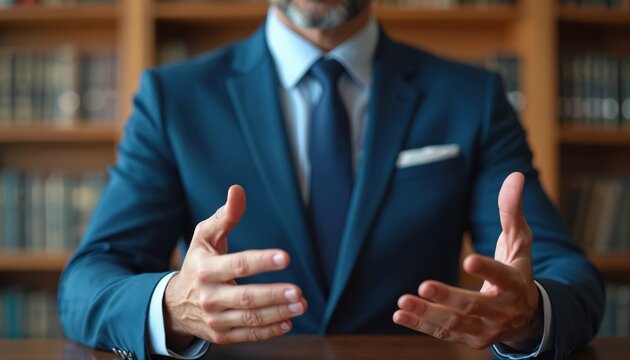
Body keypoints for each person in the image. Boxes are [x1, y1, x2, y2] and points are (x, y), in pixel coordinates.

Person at [58, 1, 604, 359]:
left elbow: (568, 276)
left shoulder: (472, 99)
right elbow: (87, 283)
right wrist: (173, 303)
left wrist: (529, 312)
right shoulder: (174, 100)